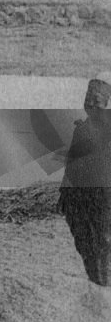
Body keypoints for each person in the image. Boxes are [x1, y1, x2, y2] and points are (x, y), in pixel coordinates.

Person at [59, 73, 111, 286]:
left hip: (103, 195)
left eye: (96, 101)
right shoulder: (80, 129)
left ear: (105, 103)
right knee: (83, 241)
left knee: (104, 241)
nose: (90, 104)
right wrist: (64, 193)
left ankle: (104, 285)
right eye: (88, 99)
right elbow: (71, 165)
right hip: (78, 197)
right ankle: (95, 281)